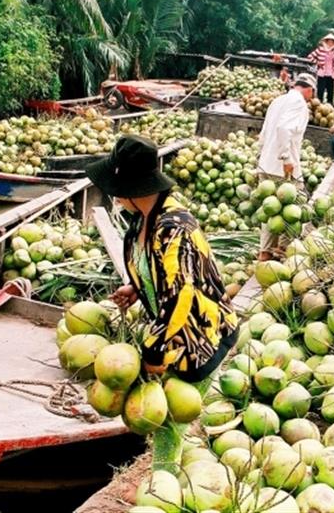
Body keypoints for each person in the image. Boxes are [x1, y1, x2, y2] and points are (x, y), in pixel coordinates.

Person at [83, 135, 238, 469]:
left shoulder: (175, 229)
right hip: (174, 331)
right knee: (167, 411)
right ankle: (171, 466)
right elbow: (158, 272)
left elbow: (181, 295)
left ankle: (161, 483)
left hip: (201, 334)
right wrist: (135, 288)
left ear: (131, 187)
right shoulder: (143, 219)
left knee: (167, 421)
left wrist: (154, 351)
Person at [256, 73, 316, 261]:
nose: (311, 97)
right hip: (282, 167)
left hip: (266, 164)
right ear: (308, 89)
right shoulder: (299, 103)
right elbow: (284, 129)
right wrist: (287, 158)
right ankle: (283, 249)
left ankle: (265, 252)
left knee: (271, 210)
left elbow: (264, 132)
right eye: (312, 93)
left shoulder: (278, 101)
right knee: (295, 207)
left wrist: (260, 157)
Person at [307, 33, 334, 104]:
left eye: (332, 41)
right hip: (322, 73)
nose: (330, 43)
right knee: (320, 91)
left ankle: (330, 105)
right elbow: (310, 57)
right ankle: (319, 104)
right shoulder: (320, 49)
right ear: (326, 41)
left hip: (331, 74)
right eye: (329, 41)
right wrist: (317, 62)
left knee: (330, 91)